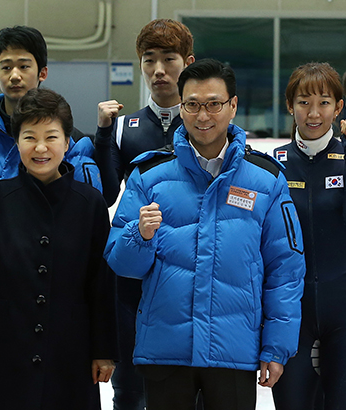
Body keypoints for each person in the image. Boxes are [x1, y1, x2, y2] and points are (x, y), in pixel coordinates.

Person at [105, 58, 306, 409]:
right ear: (181, 107)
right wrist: (141, 235)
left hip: (234, 353)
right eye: (193, 105)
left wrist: (276, 346)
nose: (203, 115)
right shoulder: (148, 176)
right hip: (166, 353)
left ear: (233, 106)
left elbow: (285, 272)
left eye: (214, 104)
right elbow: (121, 264)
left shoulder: (267, 180)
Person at [0, 88, 116, 410]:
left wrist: (103, 348)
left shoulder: (89, 202)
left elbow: (101, 281)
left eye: (51, 137)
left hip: (69, 343)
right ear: (16, 140)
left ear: (67, 142)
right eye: (29, 137)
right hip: (1, 342)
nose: (40, 148)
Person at [93, 18, 195, 410]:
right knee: (130, 390)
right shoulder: (123, 128)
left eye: (168, 59)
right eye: (148, 60)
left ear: (187, 61)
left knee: (190, 387)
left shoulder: (206, 125)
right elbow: (105, 193)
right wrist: (103, 133)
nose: (158, 70)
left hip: (188, 271)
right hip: (134, 274)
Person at [271, 62, 346, 410]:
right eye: (303, 102)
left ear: (339, 107)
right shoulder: (273, 165)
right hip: (291, 314)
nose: (313, 113)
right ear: (290, 105)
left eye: (324, 102)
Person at [0, 25, 102, 191]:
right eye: (6, 67)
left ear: (42, 73)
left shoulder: (72, 142)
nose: (15, 76)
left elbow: (88, 204)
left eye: (24, 67)